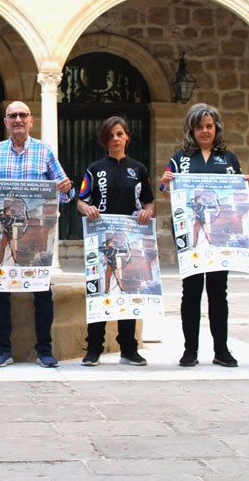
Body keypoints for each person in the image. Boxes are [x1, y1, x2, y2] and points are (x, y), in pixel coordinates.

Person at [0, 101, 75, 368]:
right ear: (5, 121)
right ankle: (2, 350)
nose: (18, 119)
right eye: (12, 115)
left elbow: (64, 194)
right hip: (1, 228)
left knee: (42, 291)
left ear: (31, 121)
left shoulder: (44, 151)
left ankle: (44, 350)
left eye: (23, 115)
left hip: (33, 232)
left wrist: (66, 186)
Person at [161, 103, 249, 368]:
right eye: (200, 126)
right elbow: (164, 189)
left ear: (216, 128)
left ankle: (221, 349)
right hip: (190, 236)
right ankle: (190, 349)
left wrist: (243, 184)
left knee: (218, 292)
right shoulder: (181, 158)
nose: (205, 131)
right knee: (190, 292)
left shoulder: (228, 159)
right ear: (192, 129)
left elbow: (235, 193)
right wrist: (166, 184)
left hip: (219, 237)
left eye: (209, 126)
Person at [76, 116, 155, 367]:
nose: (116, 139)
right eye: (111, 136)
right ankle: (94, 347)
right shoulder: (95, 169)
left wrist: (147, 211)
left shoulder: (139, 169)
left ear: (127, 136)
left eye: (120, 134)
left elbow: (149, 202)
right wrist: (86, 209)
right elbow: (80, 199)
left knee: (128, 289)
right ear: (105, 140)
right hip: (102, 238)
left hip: (130, 237)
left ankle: (128, 349)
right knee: (100, 288)